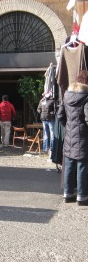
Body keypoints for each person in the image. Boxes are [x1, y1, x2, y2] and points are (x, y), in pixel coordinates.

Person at [57, 71, 88, 206]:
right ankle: (82, 197)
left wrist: (69, 126)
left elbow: (60, 116)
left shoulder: (66, 95)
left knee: (69, 165)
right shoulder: (86, 97)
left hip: (69, 137)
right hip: (83, 137)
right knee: (82, 167)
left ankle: (68, 194)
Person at [37, 92, 55, 157]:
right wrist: (40, 112)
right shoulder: (42, 101)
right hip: (44, 119)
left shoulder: (52, 101)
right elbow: (38, 108)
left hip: (50, 119)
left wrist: (51, 113)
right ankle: (45, 149)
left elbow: (55, 110)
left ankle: (52, 148)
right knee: (46, 134)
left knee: (51, 134)